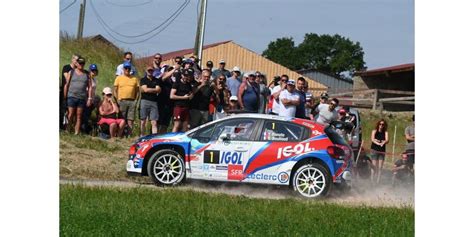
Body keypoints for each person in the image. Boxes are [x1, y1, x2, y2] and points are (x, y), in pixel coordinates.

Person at [63, 56, 93, 135]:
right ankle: (67, 130)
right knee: (70, 114)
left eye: (83, 63)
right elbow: (66, 85)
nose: (81, 65)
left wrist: (89, 98)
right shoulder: (71, 72)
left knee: (79, 116)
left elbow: (90, 87)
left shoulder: (87, 74)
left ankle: (76, 132)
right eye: (80, 63)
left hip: (82, 98)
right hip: (71, 96)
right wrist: (65, 96)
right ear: (77, 63)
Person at [113, 61, 140, 136]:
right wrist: (117, 99)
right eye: (126, 68)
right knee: (122, 119)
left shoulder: (134, 79)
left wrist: (136, 101)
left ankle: (129, 135)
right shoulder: (119, 78)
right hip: (122, 101)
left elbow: (138, 91)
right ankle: (119, 135)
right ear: (123, 69)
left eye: (128, 68)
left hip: (132, 101)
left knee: (130, 119)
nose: (127, 70)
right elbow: (115, 90)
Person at [170, 68, 195, 132]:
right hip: (178, 106)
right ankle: (172, 139)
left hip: (186, 107)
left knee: (185, 125)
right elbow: (172, 96)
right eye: (185, 75)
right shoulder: (177, 83)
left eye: (187, 76)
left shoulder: (188, 84)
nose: (186, 77)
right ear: (182, 75)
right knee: (177, 124)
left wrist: (191, 95)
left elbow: (190, 95)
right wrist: (183, 97)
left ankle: (181, 139)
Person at [139, 66, 161, 136]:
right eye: (149, 70)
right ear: (146, 71)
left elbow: (159, 90)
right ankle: (142, 135)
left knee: (154, 122)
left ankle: (154, 137)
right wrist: (154, 90)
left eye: (151, 70)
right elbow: (145, 90)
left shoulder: (156, 80)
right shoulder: (143, 79)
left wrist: (149, 89)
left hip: (154, 102)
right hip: (144, 101)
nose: (150, 72)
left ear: (153, 71)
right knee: (143, 120)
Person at [60, 53, 80, 130]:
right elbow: (68, 78)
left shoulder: (78, 70)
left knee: (71, 112)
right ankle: (61, 127)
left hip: (73, 94)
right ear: (72, 59)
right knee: (63, 110)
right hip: (65, 92)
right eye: (75, 59)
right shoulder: (66, 67)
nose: (76, 61)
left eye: (78, 60)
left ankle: (68, 127)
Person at [156, 65, 175, 134]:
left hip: (170, 104)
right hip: (161, 103)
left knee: (165, 124)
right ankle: (155, 136)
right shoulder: (161, 79)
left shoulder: (173, 81)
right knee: (158, 122)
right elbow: (163, 78)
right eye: (168, 70)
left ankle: (161, 137)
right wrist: (175, 68)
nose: (171, 72)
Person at [81, 64, 99, 134]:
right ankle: (82, 129)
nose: (93, 72)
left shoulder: (94, 79)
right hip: (86, 99)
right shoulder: (87, 78)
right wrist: (88, 98)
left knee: (87, 115)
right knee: (84, 115)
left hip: (92, 100)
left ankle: (85, 129)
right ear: (89, 71)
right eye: (92, 71)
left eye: (95, 71)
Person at [370, 119, 389, 184]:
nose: (381, 125)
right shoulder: (374, 131)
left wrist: (383, 143)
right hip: (374, 149)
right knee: (374, 166)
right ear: (378, 124)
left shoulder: (385, 132)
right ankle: (372, 180)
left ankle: (378, 181)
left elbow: (387, 140)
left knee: (380, 167)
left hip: (382, 150)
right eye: (380, 124)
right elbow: (372, 139)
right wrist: (378, 143)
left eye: (383, 124)